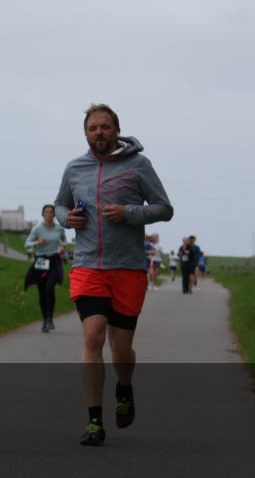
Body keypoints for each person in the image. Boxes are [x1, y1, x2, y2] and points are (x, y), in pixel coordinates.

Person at [54, 103, 173, 446]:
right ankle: (94, 421)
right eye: (93, 128)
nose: (99, 133)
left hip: (128, 268)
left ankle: (124, 388)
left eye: (105, 127)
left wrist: (129, 213)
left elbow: (165, 208)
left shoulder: (138, 165)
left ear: (117, 131)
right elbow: (60, 205)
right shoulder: (75, 168)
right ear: (86, 133)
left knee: (121, 350)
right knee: (93, 337)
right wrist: (66, 219)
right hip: (89, 265)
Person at [23, 205, 67, 332]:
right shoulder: (37, 229)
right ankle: (45, 320)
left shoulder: (59, 229)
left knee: (50, 288)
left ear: (54, 215)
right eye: (46, 212)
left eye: (51, 212)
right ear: (43, 214)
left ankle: (50, 318)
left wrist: (62, 247)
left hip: (54, 260)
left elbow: (63, 241)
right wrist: (37, 243)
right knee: (42, 291)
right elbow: (27, 244)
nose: (48, 214)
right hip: (41, 261)